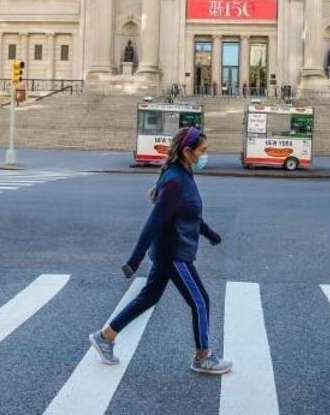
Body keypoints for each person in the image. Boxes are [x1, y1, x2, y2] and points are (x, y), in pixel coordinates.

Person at [89, 126, 232, 375]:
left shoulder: (183, 174)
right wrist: (134, 259)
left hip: (171, 251)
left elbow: (189, 213)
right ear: (188, 151)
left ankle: (105, 337)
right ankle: (203, 357)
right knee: (200, 301)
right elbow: (154, 222)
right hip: (174, 253)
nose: (205, 155)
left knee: (149, 297)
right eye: (203, 150)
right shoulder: (176, 180)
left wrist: (209, 234)